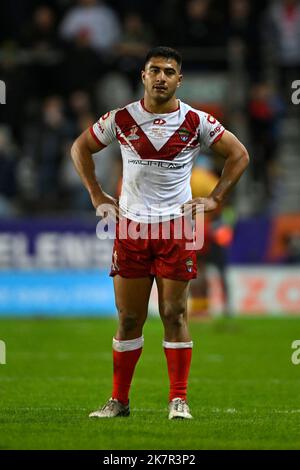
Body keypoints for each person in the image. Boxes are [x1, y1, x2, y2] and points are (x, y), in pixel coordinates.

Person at [71, 46, 249, 419]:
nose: (162, 77)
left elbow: (239, 154)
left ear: (179, 80)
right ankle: (119, 401)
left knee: (174, 312)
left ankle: (178, 400)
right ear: (144, 75)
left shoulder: (197, 121)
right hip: (131, 227)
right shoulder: (121, 119)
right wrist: (95, 192)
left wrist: (215, 198)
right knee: (130, 319)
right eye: (155, 70)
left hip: (176, 229)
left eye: (169, 71)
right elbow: (81, 148)